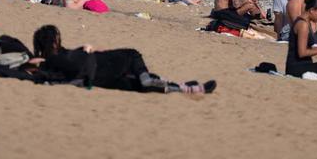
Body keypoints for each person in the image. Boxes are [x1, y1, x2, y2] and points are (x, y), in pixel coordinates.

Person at [31, 25, 212, 94]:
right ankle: (181, 86)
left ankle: (186, 88)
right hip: (100, 65)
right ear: (54, 40)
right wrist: (87, 52)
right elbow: (77, 62)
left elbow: (63, 68)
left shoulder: (49, 61)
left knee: (139, 85)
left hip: (101, 79)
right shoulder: (55, 59)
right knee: (132, 55)